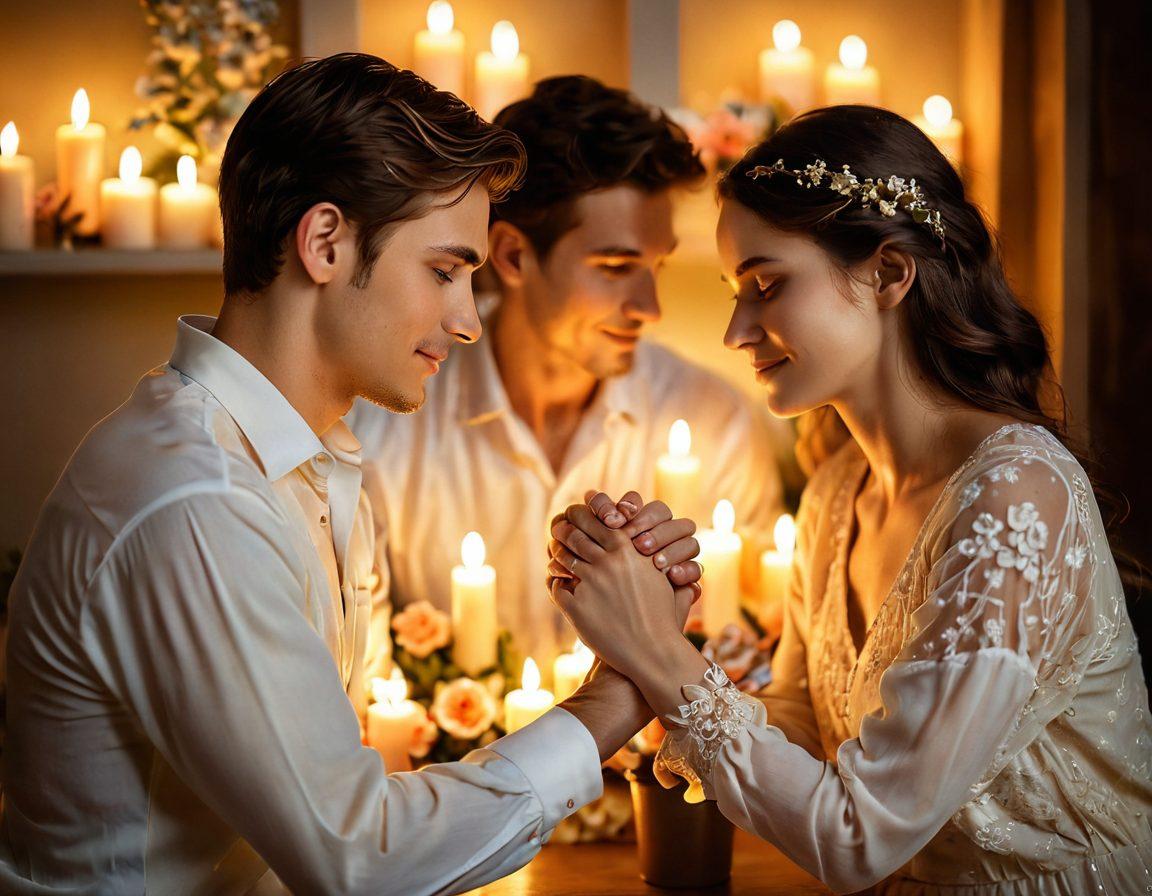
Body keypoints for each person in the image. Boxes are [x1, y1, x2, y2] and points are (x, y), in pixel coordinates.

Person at [0, 54, 701, 895]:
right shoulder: (199, 499)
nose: (466, 320)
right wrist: (621, 692)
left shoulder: (310, 464)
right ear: (325, 242)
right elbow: (358, 859)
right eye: (444, 271)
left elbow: (336, 801)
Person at [548, 105, 1152, 893]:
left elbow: (860, 837)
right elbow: (805, 724)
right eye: (735, 293)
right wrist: (645, 619)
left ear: (890, 273)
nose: (736, 331)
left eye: (766, 286)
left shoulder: (1015, 498)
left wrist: (661, 658)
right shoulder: (836, 496)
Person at [349, 75, 785, 669]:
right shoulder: (383, 424)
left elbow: (755, 652)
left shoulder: (716, 421)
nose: (649, 308)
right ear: (513, 256)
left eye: (655, 267)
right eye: (615, 267)